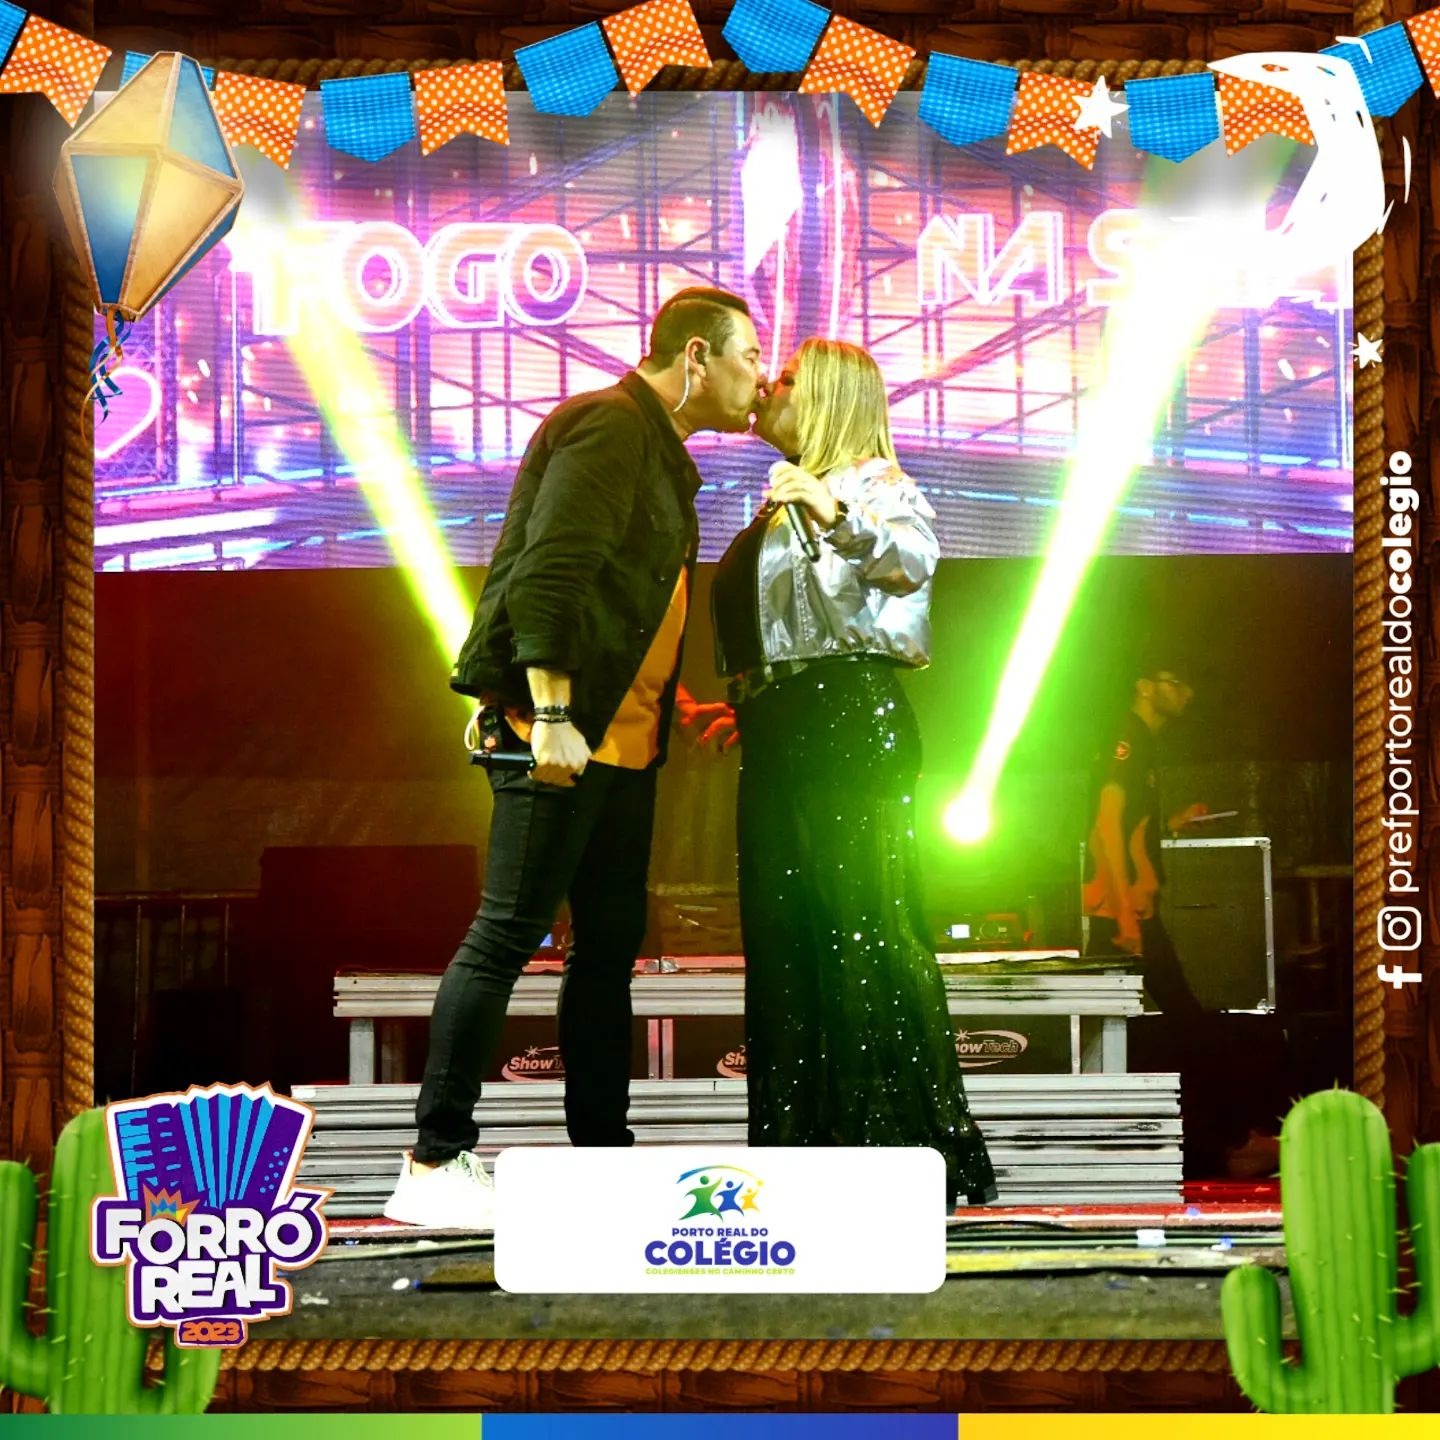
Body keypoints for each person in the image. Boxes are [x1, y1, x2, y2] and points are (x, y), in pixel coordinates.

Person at [384, 287, 765, 1228]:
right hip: (556, 735)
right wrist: (552, 710)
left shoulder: (658, 450)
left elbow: (626, 602)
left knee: (607, 955)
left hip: (622, 746)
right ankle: (434, 1161)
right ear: (696, 359)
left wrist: (670, 702)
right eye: (749, 357)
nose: (759, 380)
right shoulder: (609, 425)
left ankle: (601, 1151)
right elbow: (551, 571)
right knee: (507, 934)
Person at [703, 337, 997, 1209]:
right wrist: (752, 699)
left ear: (829, 396)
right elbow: (796, 622)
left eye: (787, 378)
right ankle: (805, 1153)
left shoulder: (874, 484)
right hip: (783, 727)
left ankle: (892, 1153)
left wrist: (835, 513)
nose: (767, 386)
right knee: (787, 940)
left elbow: (909, 562)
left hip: (847, 725)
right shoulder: (781, 495)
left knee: (859, 929)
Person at [1082, 657, 1279, 1179]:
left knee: (1125, 1026)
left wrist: (1171, 823)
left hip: (1126, 908)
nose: (1187, 693)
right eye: (1177, 683)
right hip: (1121, 910)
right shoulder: (1127, 737)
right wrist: (1124, 913)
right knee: (1188, 1024)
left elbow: (1129, 826)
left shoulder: (1140, 743)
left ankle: (1229, 1140)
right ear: (1145, 687)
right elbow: (1104, 826)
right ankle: (1236, 1143)